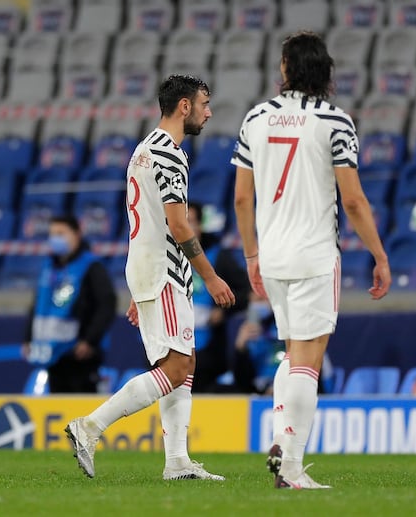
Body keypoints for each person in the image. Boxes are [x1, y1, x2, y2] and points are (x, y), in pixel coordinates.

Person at [233, 31, 391, 489]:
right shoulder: (334, 121)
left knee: (291, 354)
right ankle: (291, 465)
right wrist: (379, 255)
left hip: (274, 254)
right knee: (308, 360)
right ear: (325, 71)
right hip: (316, 253)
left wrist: (251, 255)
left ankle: (282, 440)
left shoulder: (256, 118)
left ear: (285, 69)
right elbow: (355, 200)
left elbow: (243, 198)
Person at [65, 75, 236, 481]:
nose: (208, 112)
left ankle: (176, 461)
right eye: (204, 103)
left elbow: (144, 224)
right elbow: (178, 225)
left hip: (147, 268)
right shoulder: (171, 155)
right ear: (183, 106)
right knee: (176, 368)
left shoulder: (143, 150)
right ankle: (89, 427)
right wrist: (210, 277)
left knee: (184, 363)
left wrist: (137, 287)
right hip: (164, 272)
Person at [22, 215, 117, 393]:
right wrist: (28, 338)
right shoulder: (49, 266)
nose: (55, 239)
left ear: (77, 234)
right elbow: (37, 305)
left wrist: (90, 341)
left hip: (80, 354)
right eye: (52, 234)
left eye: (61, 233)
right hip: (52, 351)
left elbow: (106, 305)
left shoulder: (92, 266)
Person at [186, 202, 251, 392]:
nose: (185, 228)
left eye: (191, 222)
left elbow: (245, 291)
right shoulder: (163, 257)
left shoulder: (219, 256)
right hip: (170, 349)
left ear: (200, 226)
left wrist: (222, 310)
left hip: (207, 352)